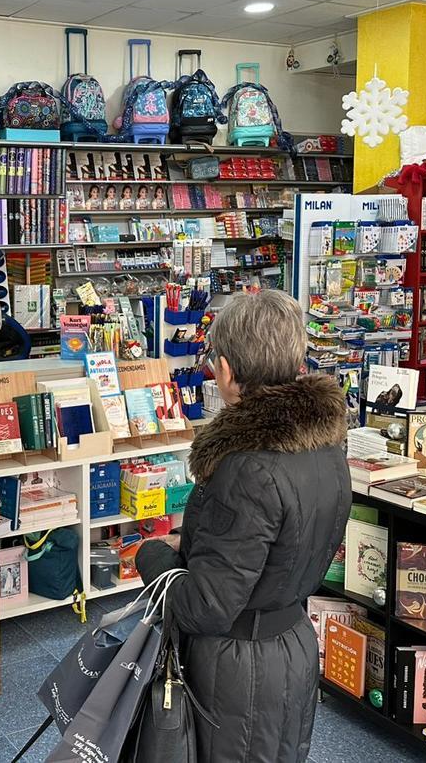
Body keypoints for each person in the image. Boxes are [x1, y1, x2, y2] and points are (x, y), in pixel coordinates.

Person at [136, 289, 351, 763]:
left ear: (227, 370)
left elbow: (206, 607)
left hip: (236, 667)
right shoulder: (325, 443)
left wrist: (153, 558)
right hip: (292, 643)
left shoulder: (246, 466)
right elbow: (276, 544)